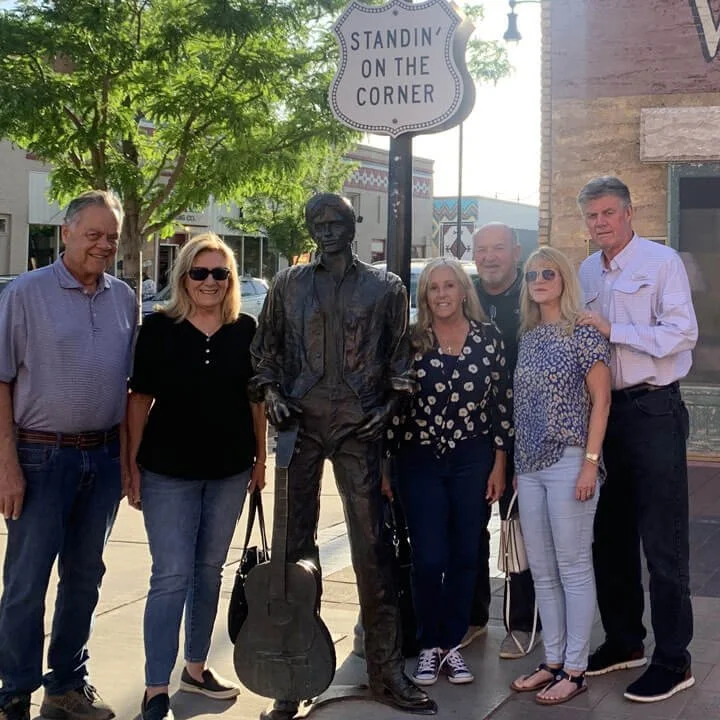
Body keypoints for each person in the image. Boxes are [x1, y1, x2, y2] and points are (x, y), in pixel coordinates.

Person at [251, 193, 432, 719]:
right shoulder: (288, 284)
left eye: (336, 221)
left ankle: (385, 669)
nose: (326, 229)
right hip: (301, 427)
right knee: (293, 551)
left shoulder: (385, 287)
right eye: (316, 222)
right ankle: (292, 672)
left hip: (358, 427)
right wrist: (274, 395)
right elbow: (265, 354)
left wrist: (390, 406)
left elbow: (401, 359)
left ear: (354, 225)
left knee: (372, 551)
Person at [0, 190, 136, 720]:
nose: (103, 245)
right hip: (39, 458)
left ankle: (66, 686)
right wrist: (6, 466)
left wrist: (126, 464)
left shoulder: (124, 297)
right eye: (93, 234)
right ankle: (14, 693)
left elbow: (127, 390)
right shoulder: (26, 294)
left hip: (100, 460)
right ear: (66, 233)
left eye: (112, 237)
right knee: (26, 583)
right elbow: (2, 382)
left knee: (85, 578)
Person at [126, 233, 267, 720]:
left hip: (229, 471)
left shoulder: (245, 330)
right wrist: (131, 466)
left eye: (219, 273)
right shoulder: (158, 329)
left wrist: (260, 462)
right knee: (170, 576)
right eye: (200, 272)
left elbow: (256, 400)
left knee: (209, 573)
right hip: (167, 472)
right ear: (183, 276)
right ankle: (154, 687)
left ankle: (197, 666)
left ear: (230, 279)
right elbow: (139, 400)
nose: (210, 282)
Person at [577, 176, 698, 703]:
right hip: (605, 417)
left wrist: (615, 330)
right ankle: (625, 641)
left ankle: (674, 660)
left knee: (663, 543)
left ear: (629, 212)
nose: (600, 223)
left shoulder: (661, 262)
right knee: (610, 537)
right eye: (592, 216)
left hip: (654, 411)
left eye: (608, 213)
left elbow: (682, 333)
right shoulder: (585, 270)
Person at [388, 257, 513, 687]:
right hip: (418, 457)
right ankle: (427, 645)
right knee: (428, 557)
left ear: (463, 291)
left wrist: (498, 462)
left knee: (465, 554)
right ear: (425, 296)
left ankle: (451, 645)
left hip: (472, 456)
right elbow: (396, 408)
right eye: (433, 288)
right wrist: (388, 465)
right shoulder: (411, 341)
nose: (441, 294)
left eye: (449, 286)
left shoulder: (488, 339)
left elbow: (501, 403)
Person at [509, 247, 611, 705]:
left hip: (571, 460)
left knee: (572, 567)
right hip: (529, 467)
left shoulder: (583, 331)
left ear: (565, 278)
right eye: (532, 274)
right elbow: (522, 409)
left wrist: (590, 461)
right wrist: (516, 467)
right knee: (544, 572)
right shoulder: (529, 335)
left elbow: (602, 401)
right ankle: (551, 661)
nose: (539, 279)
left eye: (548, 272)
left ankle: (575, 667)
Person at [467, 223, 541, 659]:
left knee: (522, 527)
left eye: (498, 249)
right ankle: (475, 619)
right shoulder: (465, 294)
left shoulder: (533, 292)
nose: (490, 257)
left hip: (528, 429)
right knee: (472, 527)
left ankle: (524, 621)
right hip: (475, 432)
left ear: (516, 251)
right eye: (482, 250)